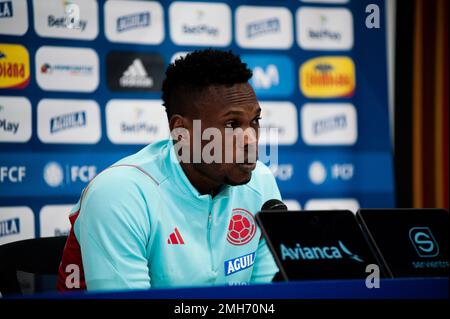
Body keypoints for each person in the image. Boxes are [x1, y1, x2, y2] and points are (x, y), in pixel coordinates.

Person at [56, 49, 282, 291]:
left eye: (255, 121)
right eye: (231, 124)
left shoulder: (260, 182)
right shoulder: (119, 194)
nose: (250, 139)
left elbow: (269, 297)